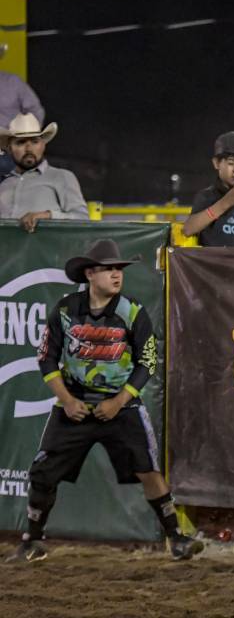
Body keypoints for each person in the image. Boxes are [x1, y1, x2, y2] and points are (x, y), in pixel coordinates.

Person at [7, 239, 203, 563]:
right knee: (42, 472)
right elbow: (46, 358)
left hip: (123, 407)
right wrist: (68, 401)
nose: (116, 275)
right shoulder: (66, 310)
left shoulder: (133, 313)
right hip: (74, 407)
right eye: (109, 269)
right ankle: (32, 540)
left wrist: (118, 400)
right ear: (90, 274)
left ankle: (176, 538)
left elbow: (147, 363)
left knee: (149, 471)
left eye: (119, 269)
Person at [0, 113, 88, 231]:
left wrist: (47, 215)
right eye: (21, 142)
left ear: (43, 145)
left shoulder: (62, 177)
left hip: (47, 249)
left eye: (35, 142)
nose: (29, 148)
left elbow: (83, 219)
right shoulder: (4, 184)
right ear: (10, 148)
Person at [183, 131, 234, 247]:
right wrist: (227, 201)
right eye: (231, 162)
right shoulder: (207, 196)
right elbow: (188, 229)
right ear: (216, 163)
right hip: (216, 264)